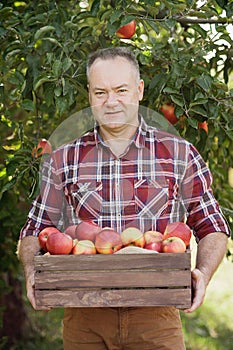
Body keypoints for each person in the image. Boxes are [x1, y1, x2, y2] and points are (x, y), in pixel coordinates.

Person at [18, 46, 230, 350]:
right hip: (84, 316)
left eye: (121, 90)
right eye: (101, 92)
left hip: (156, 315)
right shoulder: (64, 159)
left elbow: (212, 226)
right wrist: (31, 271)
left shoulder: (179, 153)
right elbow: (35, 230)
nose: (111, 101)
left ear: (140, 90)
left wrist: (203, 274)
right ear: (90, 95)